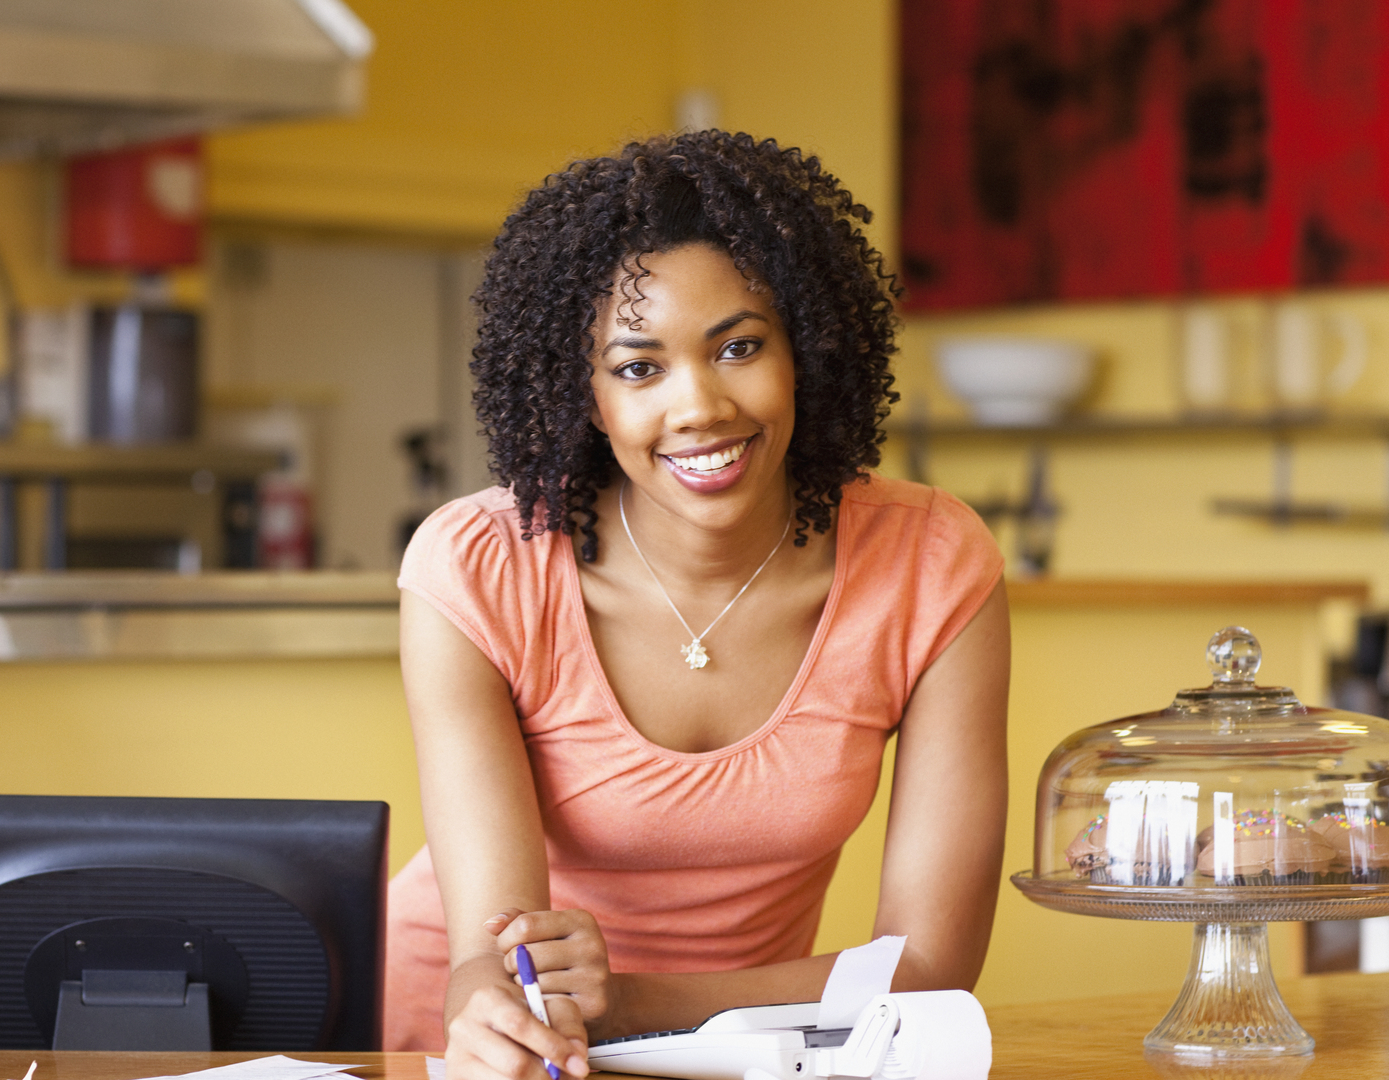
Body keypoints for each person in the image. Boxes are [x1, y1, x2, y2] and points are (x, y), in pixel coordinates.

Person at [387, 131, 1009, 1080]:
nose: (700, 406)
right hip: (484, 1047)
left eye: (741, 347)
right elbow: (498, 955)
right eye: (639, 367)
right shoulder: (482, 568)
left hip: (740, 1049)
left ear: (807, 348)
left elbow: (925, 969)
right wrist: (502, 1006)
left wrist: (630, 1005)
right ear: (585, 394)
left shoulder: (927, 564)